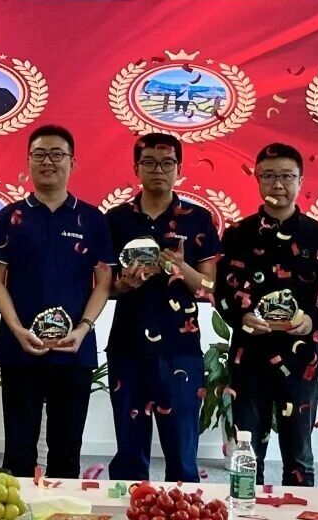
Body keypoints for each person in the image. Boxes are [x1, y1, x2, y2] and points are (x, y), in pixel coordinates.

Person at [215, 143, 318, 487]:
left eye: (287, 176)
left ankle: (302, 509)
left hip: (300, 359)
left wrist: (312, 320)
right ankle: (246, 508)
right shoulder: (237, 234)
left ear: (300, 181)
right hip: (249, 356)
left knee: (299, 452)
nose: (278, 184)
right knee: (247, 451)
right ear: (257, 179)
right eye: (269, 176)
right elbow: (221, 292)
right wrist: (241, 317)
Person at [0, 125, 115, 479]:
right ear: (28, 161)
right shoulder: (9, 217)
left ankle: (63, 507)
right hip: (19, 348)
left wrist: (83, 328)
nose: (48, 161)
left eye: (57, 154)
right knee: (18, 451)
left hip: (74, 349)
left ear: (72, 162)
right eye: (40, 154)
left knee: (66, 451)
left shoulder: (92, 219)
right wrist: (16, 329)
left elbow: (103, 282)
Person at [105, 133, 220, 482]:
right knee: (129, 454)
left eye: (167, 163)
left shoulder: (198, 219)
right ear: (136, 168)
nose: (158, 170)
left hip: (180, 349)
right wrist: (123, 285)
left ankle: (184, 506)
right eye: (150, 163)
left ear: (179, 169)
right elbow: (102, 286)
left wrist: (181, 269)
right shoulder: (115, 219)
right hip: (128, 346)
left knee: (182, 454)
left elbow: (210, 286)